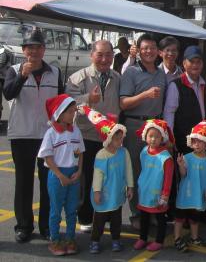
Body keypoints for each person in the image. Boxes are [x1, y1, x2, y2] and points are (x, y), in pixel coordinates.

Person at [3, 29, 64, 243]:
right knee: (23, 182)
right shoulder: (13, 70)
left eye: (38, 47)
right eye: (30, 47)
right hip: (22, 134)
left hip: (48, 135)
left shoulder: (55, 72)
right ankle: (24, 226)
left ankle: (47, 226)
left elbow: (61, 102)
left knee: (49, 182)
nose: (34, 51)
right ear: (24, 50)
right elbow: (8, 93)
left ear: (44, 50)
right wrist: (22, 76)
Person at [65, 39, 121, 233]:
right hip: (86, 136)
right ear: (91, 55)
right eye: (100, 55)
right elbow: (68, 104)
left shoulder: (117, 77)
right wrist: (88, 98)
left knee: (109, 178)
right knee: (87, 179)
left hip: (109, 138)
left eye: (108, 55)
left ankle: (105, 214)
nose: (104, 59)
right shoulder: (78, 78)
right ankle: (85, 216)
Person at [119, 33, 166, 226]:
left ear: (158, 51)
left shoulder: (161, 73)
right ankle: (136, 213)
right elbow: (123, 103)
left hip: (155, 126)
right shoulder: (131, 72)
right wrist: (145, 95)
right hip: (135, 125)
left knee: (153, 171)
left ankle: (150, 210)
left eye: (152, 48)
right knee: (136, 170)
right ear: (138, 50)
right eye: (145, 48)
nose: (149, 51)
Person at [77, 106, 132, 254]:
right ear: (108, 139)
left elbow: (128, 170)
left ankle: (116, 239)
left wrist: (130, 186)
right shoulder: (101, 155)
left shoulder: (124, 152)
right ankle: (95, 241)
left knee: (116, 219)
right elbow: (98, 175)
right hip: (104, 193)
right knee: (99, 220)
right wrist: (97, 192)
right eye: (117, 139)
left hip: (117, 193)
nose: (120, 141)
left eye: (121, 138)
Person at [37, 94, 84, 256]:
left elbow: (80, 153)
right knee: (56, 211)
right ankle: (55, 240)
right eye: (70, 112)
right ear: (59, 113)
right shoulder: (51, 133)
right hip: (57, 175)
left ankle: (70, 239)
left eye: (74, 111)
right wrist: (60, 175)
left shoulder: (76, 131)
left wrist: (79, 171)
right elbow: (47, 157)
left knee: (71, 210)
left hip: (73, 174)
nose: (73, 114)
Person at [173, 120, 206, 252]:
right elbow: (183, 174)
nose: (196, 144)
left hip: (199, 194)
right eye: (194, 141)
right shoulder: (187, 157)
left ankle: (194, 238)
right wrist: (181, 165)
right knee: (180, 217)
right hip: (186, 194)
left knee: (195, 218)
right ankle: (177, 238)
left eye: (199, 141)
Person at [163, 45, 206, 155]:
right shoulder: (176, 85)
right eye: (192, 61)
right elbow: (169, 113)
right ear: (184, 63)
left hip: (204, 141)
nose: (195, 65)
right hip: (184, 142)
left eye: (198, 62)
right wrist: (169, 139)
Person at [134, 119, 174, 253]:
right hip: (145, 190)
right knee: (144, 216)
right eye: (150, 136)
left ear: (162, 138)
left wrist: (165, 195)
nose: (153, 139)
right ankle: (142, 238)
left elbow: (168, 178)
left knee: (160, 217)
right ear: (145, 136)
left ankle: (159, 241)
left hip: (158, 193)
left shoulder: (166, 157)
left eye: (157, 137)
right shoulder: (144, 151)